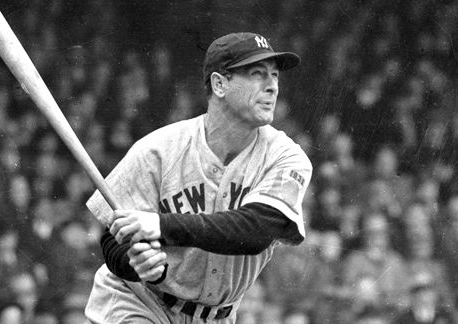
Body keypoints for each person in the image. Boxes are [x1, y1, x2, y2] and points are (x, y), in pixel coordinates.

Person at [84, 32, 312, 323]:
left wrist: (160, 225)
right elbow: (112, 238)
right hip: (139, 301)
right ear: (219, 84)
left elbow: (256, 231)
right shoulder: (159, 149)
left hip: (218, 316)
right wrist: (135, 263)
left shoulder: (286, 158)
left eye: (275, 76)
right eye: (257, 74)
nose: (272, 87)